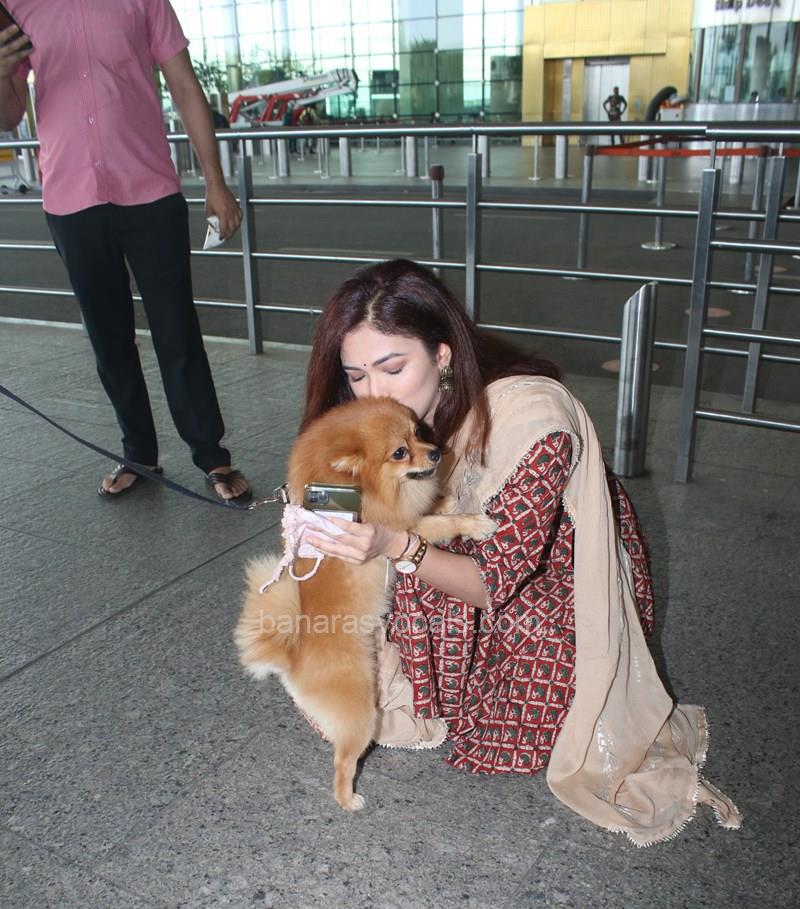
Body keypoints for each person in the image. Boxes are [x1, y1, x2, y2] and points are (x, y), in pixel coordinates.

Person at [299, 259, 742, 846]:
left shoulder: (534, 420)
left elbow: (493, 582)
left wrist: (394, 542)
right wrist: (323, 512)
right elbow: (345, 490)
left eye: (393, 368)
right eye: (357, 375)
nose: (374, 392)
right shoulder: (379, 415)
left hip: (551, 576)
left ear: (442, 355)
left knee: (514, 732)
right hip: (450, 548)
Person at [0, 1, 251, 503]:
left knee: (177, 330)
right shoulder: (17, 7)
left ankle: (212, 456)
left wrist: (215, 181)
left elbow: (185, 86)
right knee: (108, 338)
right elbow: (9, 118)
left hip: (150, 192)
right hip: (71, 199)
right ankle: (139, 454)